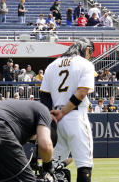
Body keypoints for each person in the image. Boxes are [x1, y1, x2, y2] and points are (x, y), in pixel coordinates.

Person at [41, 39, 95, 182]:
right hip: (75, 115)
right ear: (87, 49)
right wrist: (64, 111)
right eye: (91, 52)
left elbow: (44, 96)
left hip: (56, 119)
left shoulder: (52, 65)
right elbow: (82, 92)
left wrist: (50, 119)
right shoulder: (85, 64)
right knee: (84, 164)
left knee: (54, 167)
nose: (90, 56)